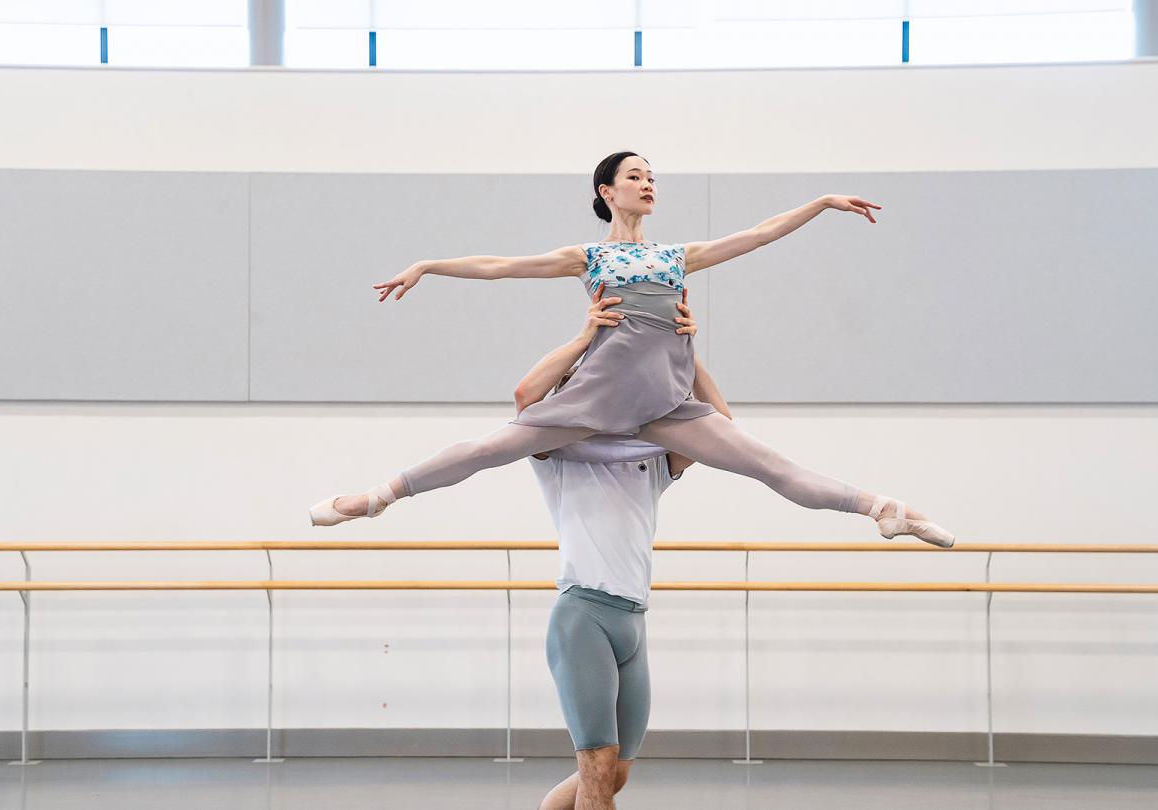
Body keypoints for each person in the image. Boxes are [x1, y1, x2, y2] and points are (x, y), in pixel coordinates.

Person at [309, 151, 954, 547]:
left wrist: (819, 202)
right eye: (635, 176)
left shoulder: (677, 257)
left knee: (768, 465)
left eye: (652, 177)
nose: (648, 184)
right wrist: (428, 264)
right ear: (606, 193)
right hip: (595, 399)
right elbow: (500, 265)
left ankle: (884, 510)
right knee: (487, 449)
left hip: (665, 404)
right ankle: (376, 498)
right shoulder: (588, 258)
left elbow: (756, 236)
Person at [523, 288, 728, 810]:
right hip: (583, 615)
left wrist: (685, 349)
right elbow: (526, 396)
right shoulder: (559, 453)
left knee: (612, 777)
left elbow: (721, 429)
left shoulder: (649, 458)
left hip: (633, 622)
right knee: (594, 773)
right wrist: (586, 336)